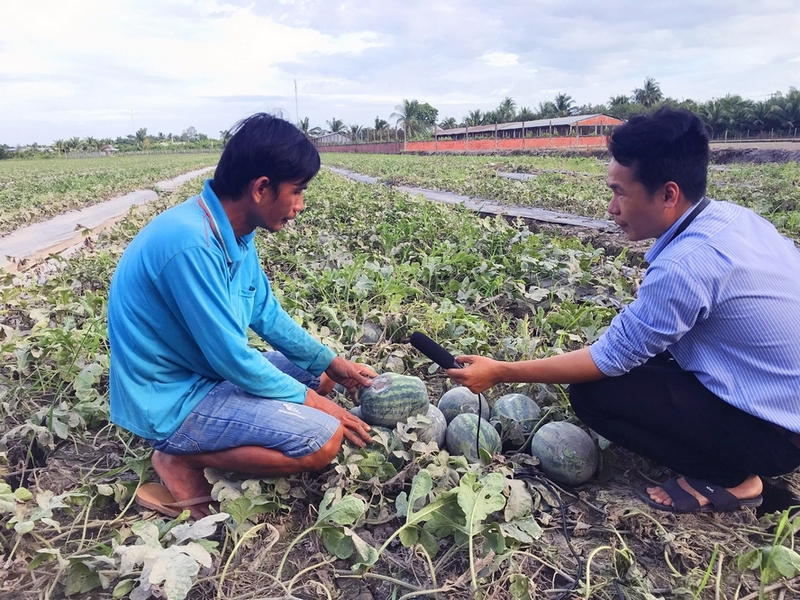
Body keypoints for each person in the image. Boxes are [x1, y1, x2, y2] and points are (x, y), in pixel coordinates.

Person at [448, 107, 800, 513]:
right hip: (782, 403)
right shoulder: (735, 219)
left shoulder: (685, 267)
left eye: (620, 192)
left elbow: (609, 359)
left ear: (668, 194)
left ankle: (736, 478)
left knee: (595, 395)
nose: (611, 208)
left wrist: (501, 371)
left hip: (776, 436)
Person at [108, 113, 374, 519]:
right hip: (172, 396)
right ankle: (180, 459)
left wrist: (332, 363)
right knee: (324, 440)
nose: (300, 206)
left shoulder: (234, 232)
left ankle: (207, 443)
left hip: (203, 375)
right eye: (298, 192)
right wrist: (320, 407)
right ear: (261, 188)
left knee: (321, 376)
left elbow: (265, 312)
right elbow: (232, 359)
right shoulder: (191, 245)